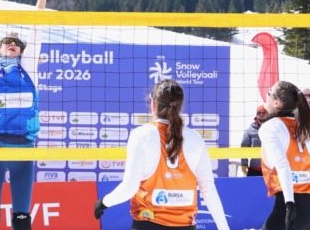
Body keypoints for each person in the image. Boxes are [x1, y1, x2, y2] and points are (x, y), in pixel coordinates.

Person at [0, 0, 62, 230]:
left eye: (15, 43)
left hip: (24, 148)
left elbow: (37, 27)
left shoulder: (29, 70)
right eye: (5, 43)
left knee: (22, 220)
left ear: (22, 52)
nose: (11, 44)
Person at [92, 79, 231, 230]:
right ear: (179, 107)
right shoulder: (196, 139)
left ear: (153, 104)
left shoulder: (141, 135)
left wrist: (103, 203)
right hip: (185, 225)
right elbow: (208, 190)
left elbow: (129, 188)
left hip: (148, 223)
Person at [259, 81, 310, 230]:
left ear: (277, 102)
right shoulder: (303, 129)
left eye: (269, 92)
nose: (266, 95)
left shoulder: (270, 127)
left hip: (288, 209)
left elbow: (283, 166)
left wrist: (289, 205)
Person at [241, 104, 269, 177]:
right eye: (259, 113)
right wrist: (244, 164)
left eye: (264, 113)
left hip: (270, 168)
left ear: (268, 114)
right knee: (251, 188)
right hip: (255, 168)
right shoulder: (250, 129)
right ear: (256, 115)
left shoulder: (273, 127)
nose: (261, 115)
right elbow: (244, 147)